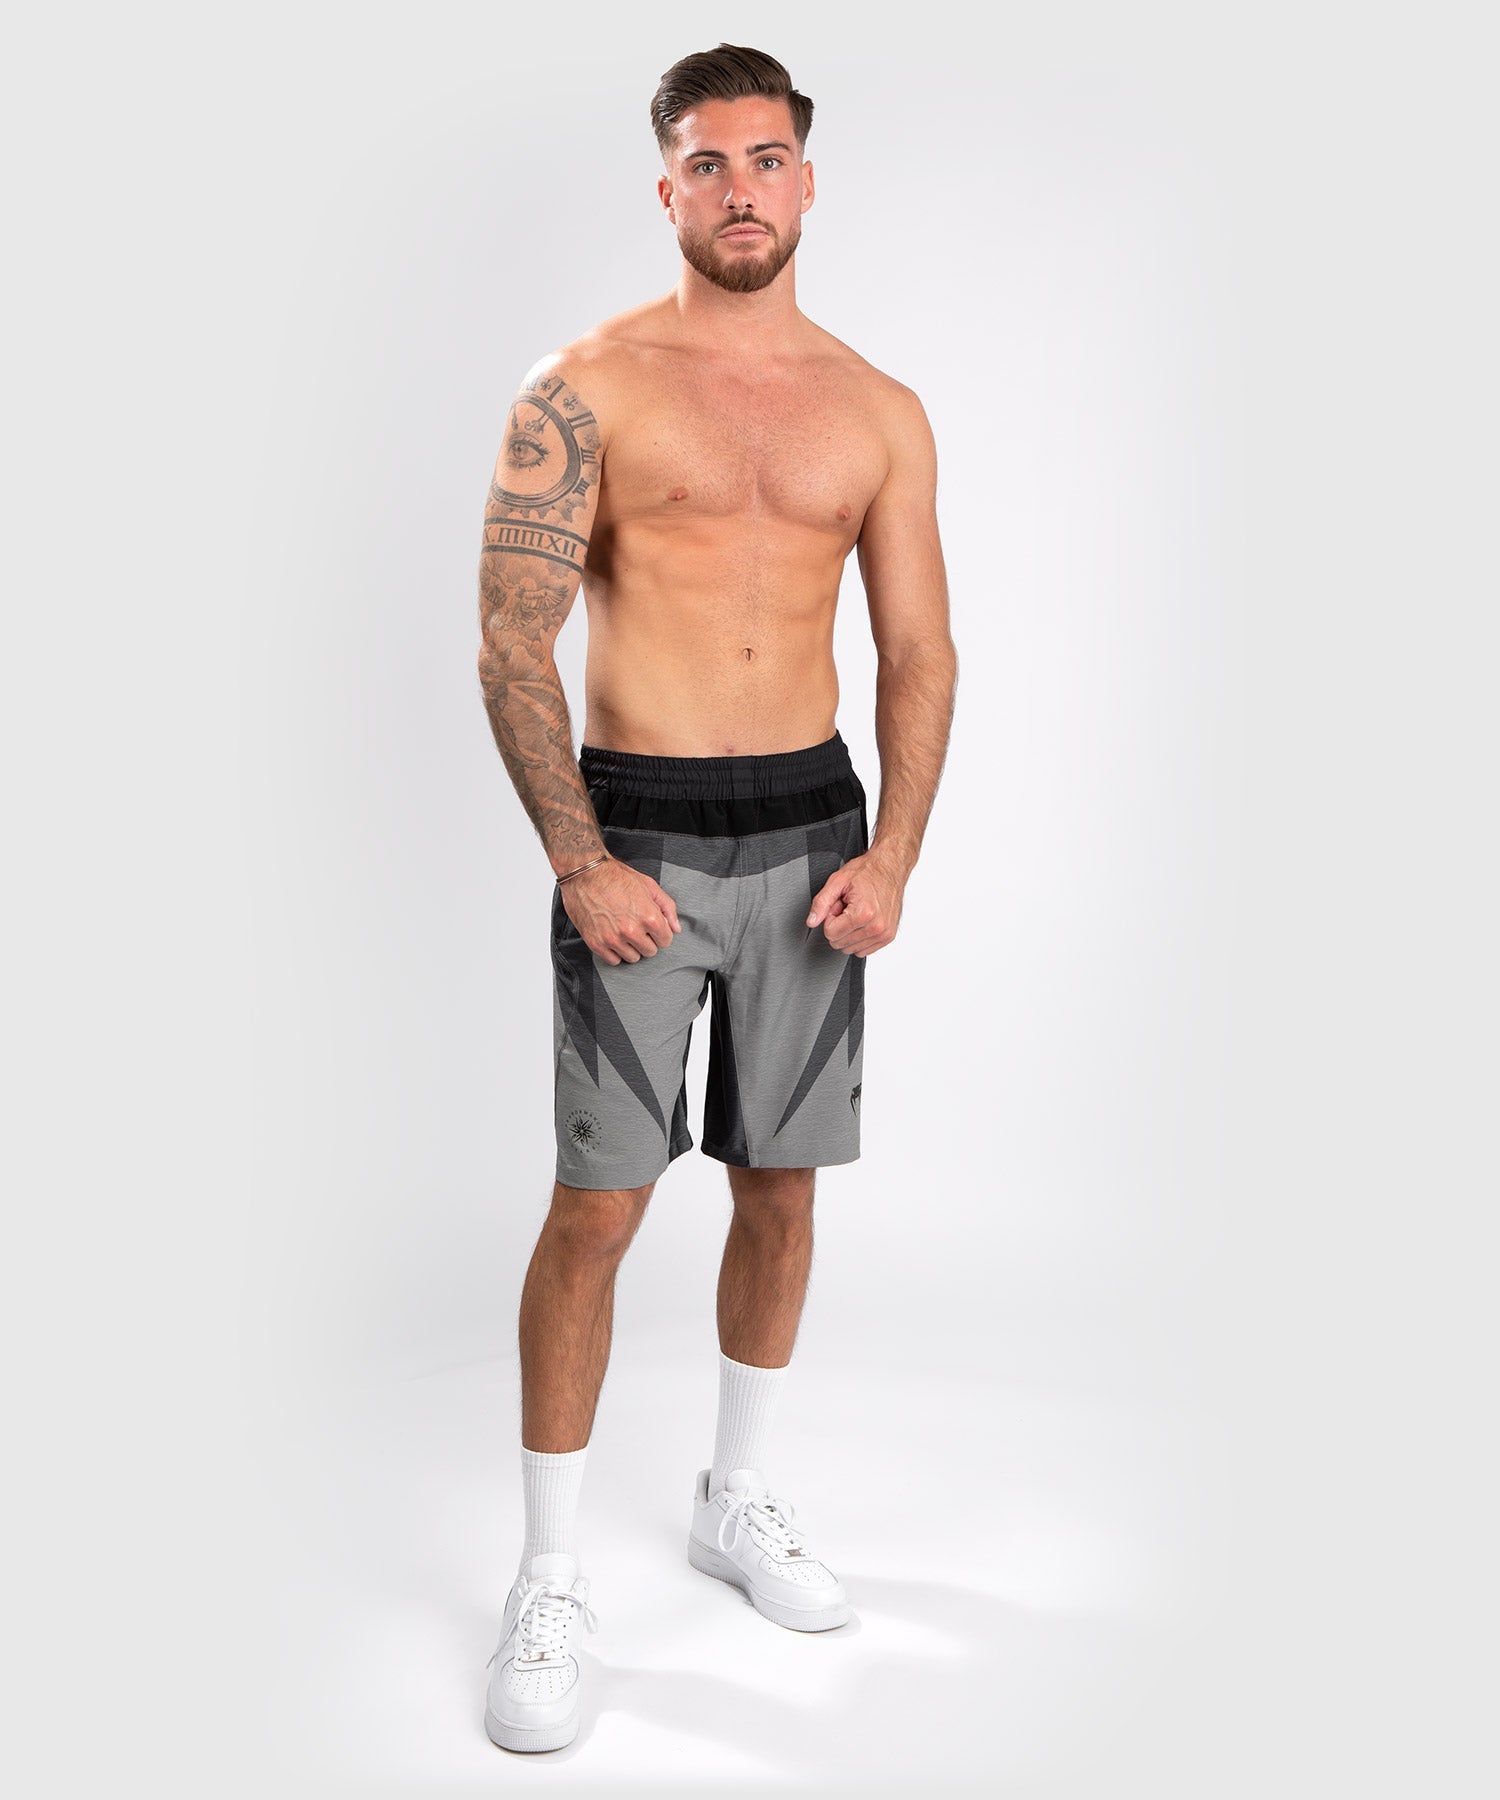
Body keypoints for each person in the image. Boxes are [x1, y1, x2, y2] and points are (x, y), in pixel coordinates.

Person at [475, 42, 957, 1754]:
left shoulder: (877, 408)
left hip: (816, 840)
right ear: (667, 188)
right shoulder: (587, 387)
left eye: (766, 159)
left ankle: (733, 1500)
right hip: (641, 838)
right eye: (706, 161)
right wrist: (581, 860)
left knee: (782, 1187)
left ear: (806, 182)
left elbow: (917, 649)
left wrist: (894, 856)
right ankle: (547, 1576)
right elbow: (512, 638)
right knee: (598, 1210)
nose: (739, 188)